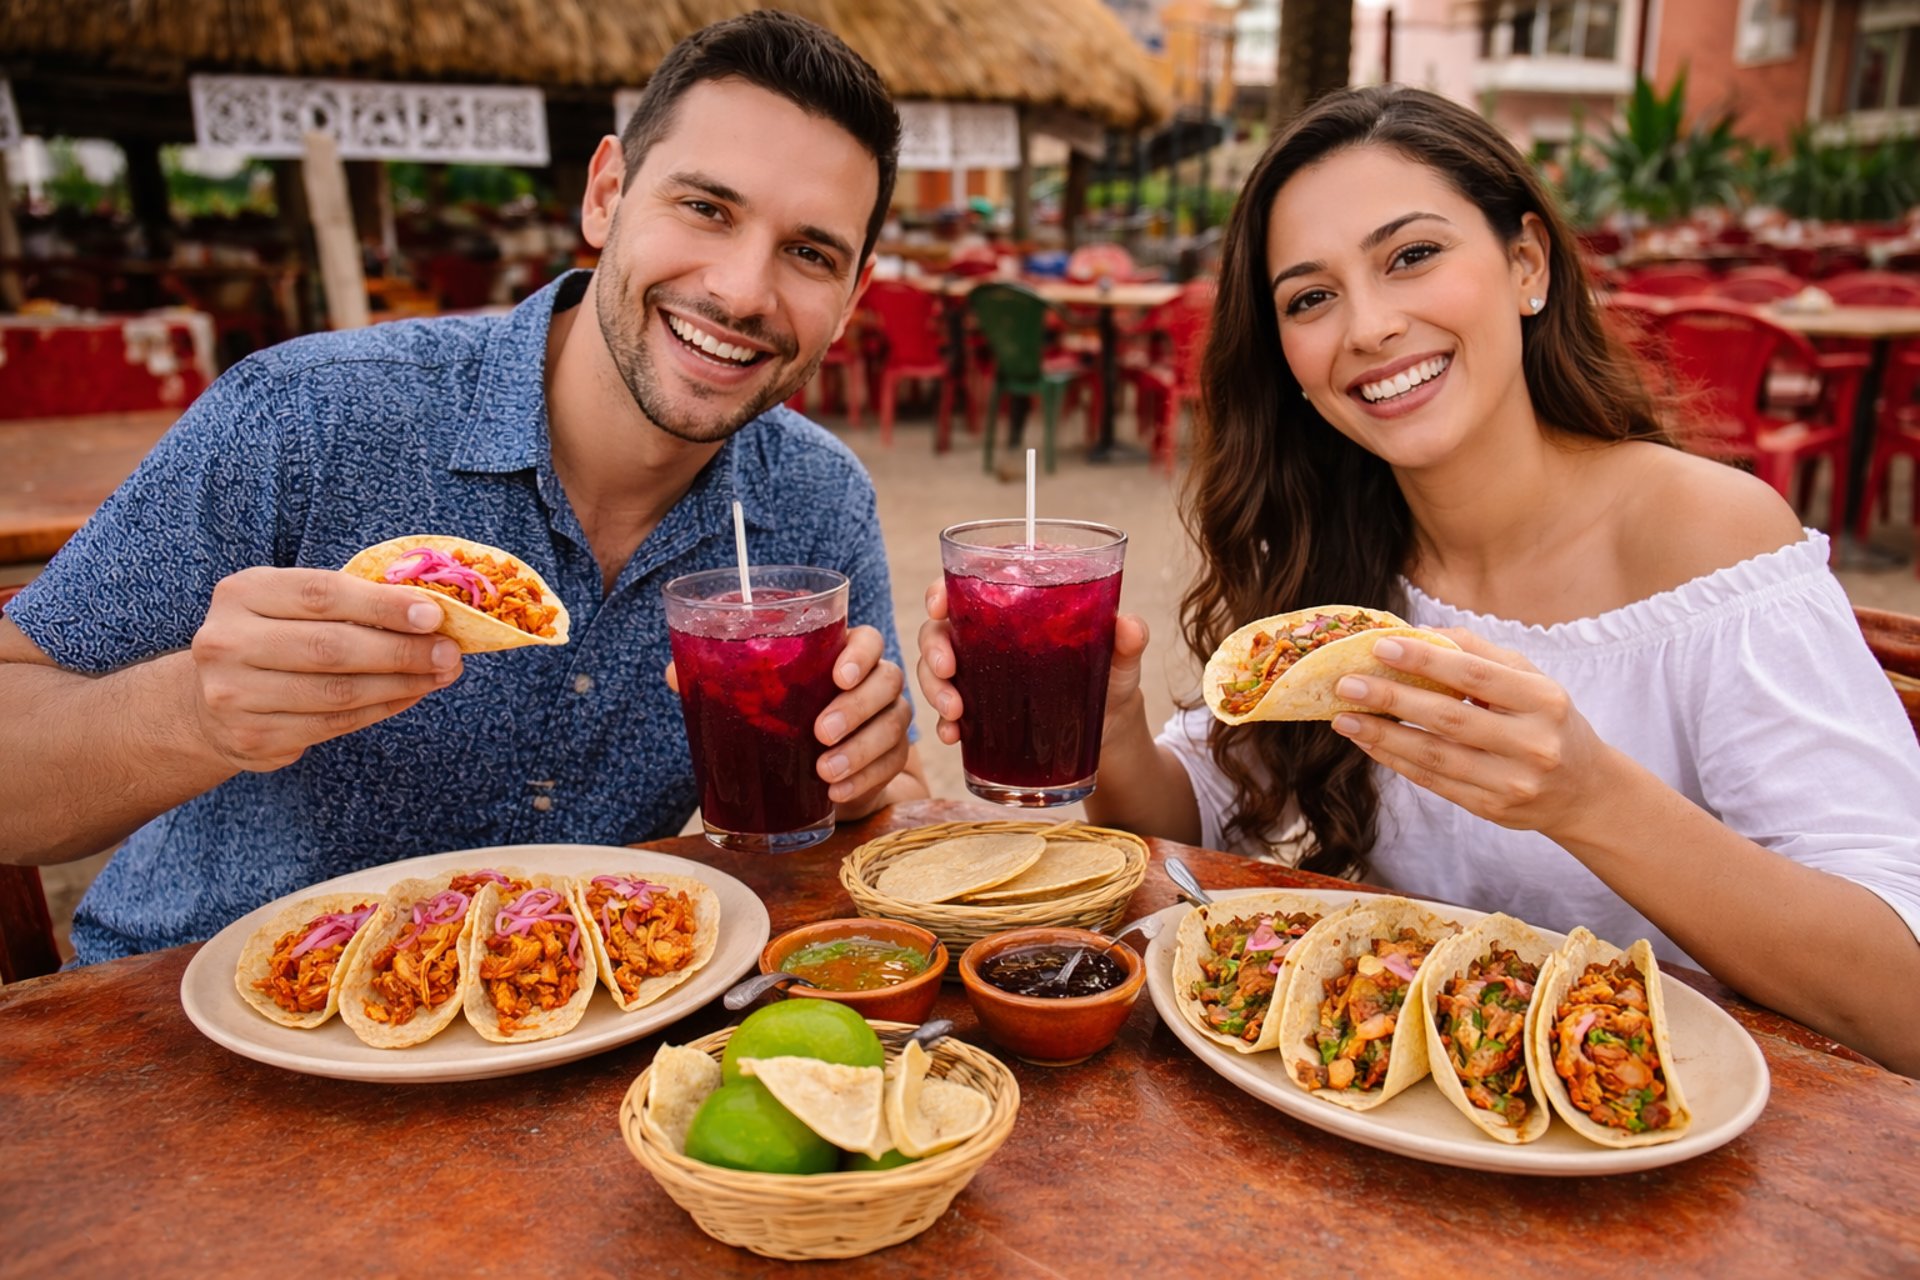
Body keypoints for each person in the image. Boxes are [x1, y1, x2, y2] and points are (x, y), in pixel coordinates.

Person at [919, 86, 1920, 1073]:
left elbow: (1901, 1001)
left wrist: (1588, 798)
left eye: (1411, 256)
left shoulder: (1711, 537)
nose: (1369, 327)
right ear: (1289, 360)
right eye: (1311, 298)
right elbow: (1192, 820)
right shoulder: (1336, 544)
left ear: (1527, 264)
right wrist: (1110, 724)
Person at [0, 11, 926, 963]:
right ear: (606, 195)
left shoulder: (818, 498)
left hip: (572, 1016)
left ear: (851, 300)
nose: (740, 291)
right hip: (187, 1012)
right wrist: (196, 714)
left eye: (809, 254)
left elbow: (874, 806)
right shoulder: (308, 416)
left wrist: (865, 770)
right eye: (705, 208)